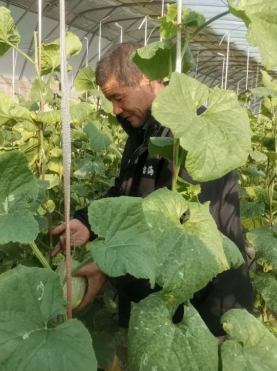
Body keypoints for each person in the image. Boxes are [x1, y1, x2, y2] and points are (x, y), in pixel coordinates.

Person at [51, 42, 253, 336]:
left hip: (206, 303)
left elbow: (181, 229)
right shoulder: (142, 128)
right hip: (158, 297)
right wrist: (86, 222)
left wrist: (109, 267)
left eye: (118, 98)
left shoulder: (190, 129)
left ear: (147, 78)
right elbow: (127, 193)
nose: (115, 109)